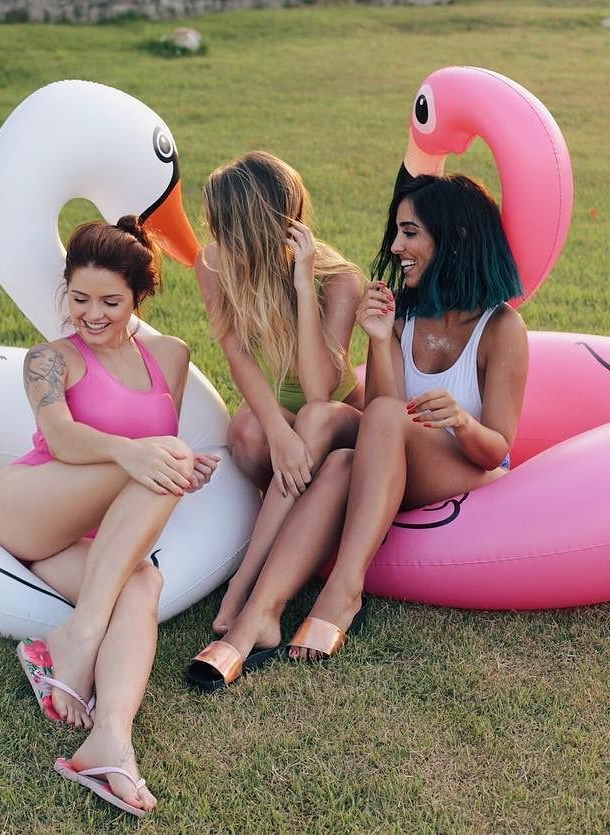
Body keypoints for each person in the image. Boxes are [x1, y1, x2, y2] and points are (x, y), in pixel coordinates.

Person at [187, 173, 527, 685]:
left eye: (410, 233)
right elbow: (381, 416)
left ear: (454, 236)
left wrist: (460, 420)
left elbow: (496, 449)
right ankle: (259, 615)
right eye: (397, 232)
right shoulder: (400, 312)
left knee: (383, 416)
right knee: (334, 441)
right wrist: (380, 338)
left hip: (465, 463)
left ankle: (343, 590)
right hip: (391, 459)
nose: (395, 247)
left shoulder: (500, 328)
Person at [0, 217, 217, 816]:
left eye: (111, 301)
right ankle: (79, 637)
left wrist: (182, 467)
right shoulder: (49, 360)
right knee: (166, 456)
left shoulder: (171, 356)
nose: (92, 314)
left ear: (139, 296)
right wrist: (138, 453)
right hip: (23, 506)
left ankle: (110, 741)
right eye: (80, 298)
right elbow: (60, 439)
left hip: (85, 542)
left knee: (145, 583)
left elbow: (153, 458)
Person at [190, 152, 366, 665]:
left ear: (261, 229)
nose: (219, 239)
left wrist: (304, 285)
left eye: (228, 229)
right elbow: (237, 354)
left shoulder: (340, 280)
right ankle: (295, 520)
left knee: (311, 418)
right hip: (289, 420)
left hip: (337, 418)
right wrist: (276, 430)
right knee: (247, 432)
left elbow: (319, 390)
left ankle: (244, 587)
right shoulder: (214, 263)